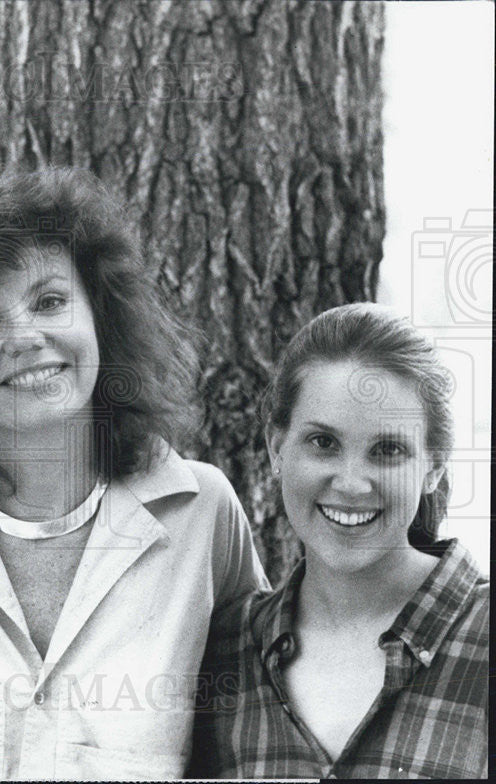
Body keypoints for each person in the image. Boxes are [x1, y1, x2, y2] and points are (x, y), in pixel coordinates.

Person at [0, 169, 269, 779]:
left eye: (49, 301)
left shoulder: (201, 513)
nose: (24, 338)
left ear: (101, 313)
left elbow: (258, 731)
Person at [190, 303, 489, 779]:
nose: (351, 483)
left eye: (387, 450)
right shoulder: (222, 653)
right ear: (277, 448)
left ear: (433, 467)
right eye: (323, 443)